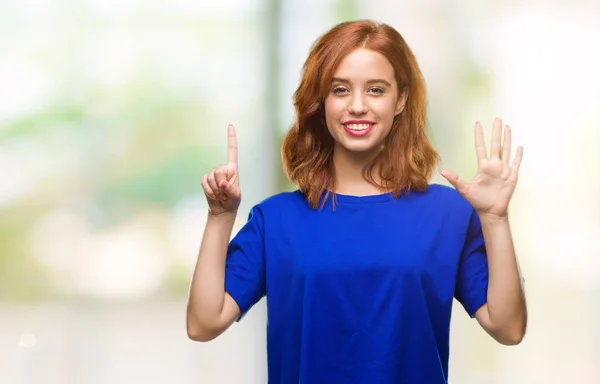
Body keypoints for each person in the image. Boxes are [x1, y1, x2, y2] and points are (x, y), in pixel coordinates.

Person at [186, 19, 527, 384]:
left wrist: (494, 219)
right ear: (321, 102)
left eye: (376, 90)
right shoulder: (277, 220)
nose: (358, 106)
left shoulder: (449, 214)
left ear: (401, 100)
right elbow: (203, 323)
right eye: (340, 89)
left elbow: (508, 328)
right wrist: (220, 218)